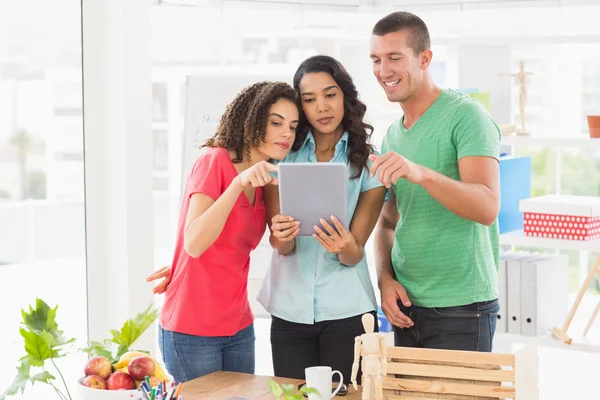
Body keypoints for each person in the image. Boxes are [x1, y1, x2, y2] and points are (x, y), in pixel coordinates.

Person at [368, 11, 502, 352]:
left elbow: (487, 207)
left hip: (462, 308)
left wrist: (422, 173)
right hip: (407, 306)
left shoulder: (466, 116)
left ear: (425, 58)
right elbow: (386, 224)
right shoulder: (392, 137)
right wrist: (385, 278)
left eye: (395, 58)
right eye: (377, 59)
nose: (384, 71)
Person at [149, 81, 299, 383]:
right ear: (252, 119)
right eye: (276, 123)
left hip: (239, 326)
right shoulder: (213, 161)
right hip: (192, 329)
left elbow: (261, 243)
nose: (287, 134)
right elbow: (194, 243)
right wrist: (237, 184)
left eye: (293, 126)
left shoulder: (267, 178)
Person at [257, 55, 388, 385]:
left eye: (330, 94)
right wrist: (283, 235)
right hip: (289, 311)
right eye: (309, 99)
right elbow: (280, 246)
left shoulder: (369, 166)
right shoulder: (281, 157)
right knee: (293, 396)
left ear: (345, 95)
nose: (322, 107)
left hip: (348, 312)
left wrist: (345, 246)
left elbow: (354, 253)